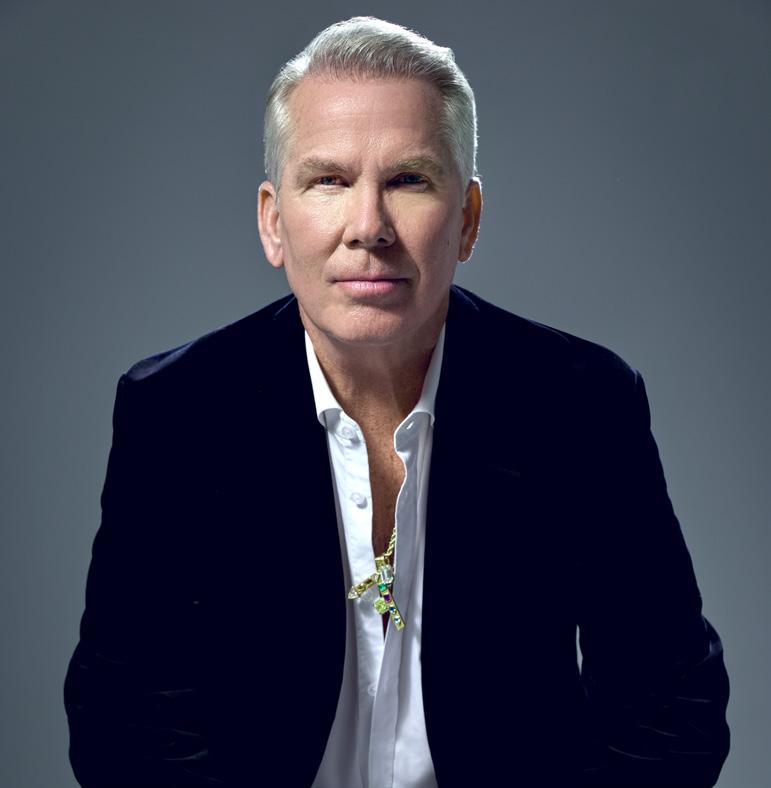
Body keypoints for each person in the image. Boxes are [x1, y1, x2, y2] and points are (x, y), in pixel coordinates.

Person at [64, 16, 730, 788]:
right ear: (273, 222)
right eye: (329, 180)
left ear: (467, 220)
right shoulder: (176, 412)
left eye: (408, 180)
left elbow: (669, 709)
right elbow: (125, 724)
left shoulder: (580, 405)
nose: (368, 228)